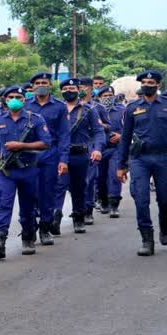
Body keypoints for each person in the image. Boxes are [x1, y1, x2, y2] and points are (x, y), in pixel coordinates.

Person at [117, 70, 167, 256]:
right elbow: (125, 138)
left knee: (166, 200)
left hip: (164, 158)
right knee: (141, 199)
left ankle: (165, 224)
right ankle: (147, 239)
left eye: (151, 82)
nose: (147, 85)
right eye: (145, 82)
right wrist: (121, 165)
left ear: (158, 85)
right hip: (140, 159)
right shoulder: (132, 108)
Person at [0, 86, 51, 257]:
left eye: (18, 96)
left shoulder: (35, 120)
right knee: (3, 205)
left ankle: (28, 237)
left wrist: (22, 145)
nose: (14, 99)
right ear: (5, 100)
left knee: (28, 207)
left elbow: (46, 142)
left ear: (24, 100)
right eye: (10, 97)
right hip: (5, 171)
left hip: (28, 169)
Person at [53, 79, 104, 234]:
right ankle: (55, 219)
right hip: (60, 155)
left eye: (73, 88)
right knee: (58, 186)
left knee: (79, 188)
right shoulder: (56, 109)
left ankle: (79, 218)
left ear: (78, 90)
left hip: (80, 154)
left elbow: (98, 131)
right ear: (61, 91)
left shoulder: (89, 110)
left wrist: (97, 149)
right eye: (66, 88)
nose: (69, 90)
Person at [25, 73, 70, 243]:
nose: (41, 85)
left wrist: (63, 159)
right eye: (37, 83)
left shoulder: (59, 106)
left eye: (44, 82)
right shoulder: (25, 105)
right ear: (32, 86)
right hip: (29, 154)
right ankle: (29, 229)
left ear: (50, 85)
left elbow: (65, 135)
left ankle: (45, 228)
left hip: (51, 154)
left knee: (47, 193)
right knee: (29, 193)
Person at [78, 77, 107, 224]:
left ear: (90, 89)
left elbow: (103, 130)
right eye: (79, 87)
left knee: (88, 181)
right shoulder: (68, 106)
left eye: (84, 87)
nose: (81, 90)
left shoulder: (98, 108)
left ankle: (87, 209)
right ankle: (78, 209)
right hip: (73, 148)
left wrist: (98, 148)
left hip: (91, 147)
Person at [95, 86, 125, 218]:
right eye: (105, 96)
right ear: (99, 98)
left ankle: (114, 204)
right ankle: (103, 201)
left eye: (110, 95)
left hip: (116, 149)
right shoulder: (93, 111)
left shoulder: (122, 111)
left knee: (114, 175)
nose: (108, 98)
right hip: (99, 149)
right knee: (100, 177)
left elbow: (131, 129)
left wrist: (121, 136)